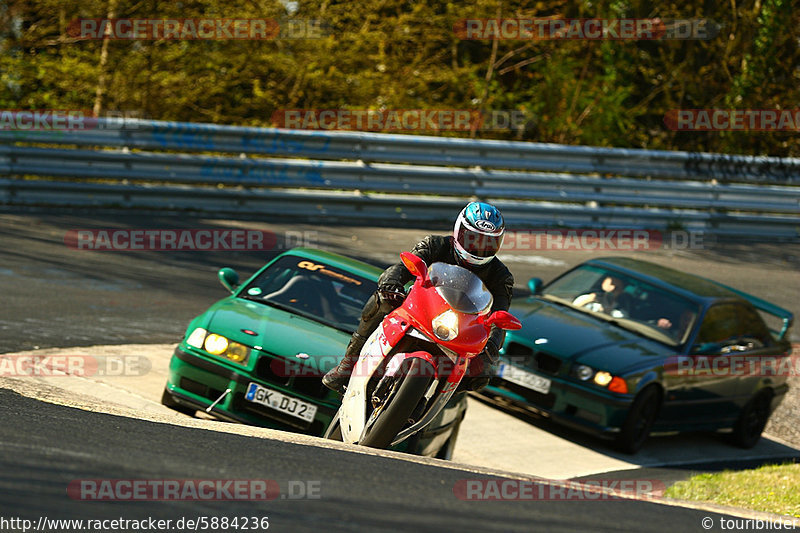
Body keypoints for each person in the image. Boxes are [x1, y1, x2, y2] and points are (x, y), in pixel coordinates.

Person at [322, 201, 515, 394]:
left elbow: (500, 313)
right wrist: (392, 281)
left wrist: (491, 343)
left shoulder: (501, 276)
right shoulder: (435, 244)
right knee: (382, 299)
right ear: (459, 231)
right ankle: (347, 366)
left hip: (461, 329)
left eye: (488, 242)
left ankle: (439, 400)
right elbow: (401, 267)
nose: (479, 248)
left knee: (483, 372)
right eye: (473, 239)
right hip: (420, 308)